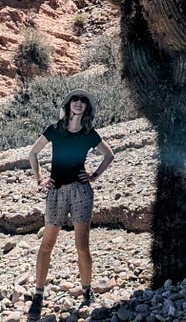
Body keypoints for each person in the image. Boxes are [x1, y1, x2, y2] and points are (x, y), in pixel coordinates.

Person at [26, 89, 115, 321]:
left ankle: (87, 291)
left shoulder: (89, 134)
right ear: (68, 104)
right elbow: (33, 154)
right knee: (47, 243)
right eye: (75, 100)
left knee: (82, 245)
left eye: (83, 101)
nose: (78, 103)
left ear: (86, 108)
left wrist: (94, 176)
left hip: (80, 191)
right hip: (55, 191)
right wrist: (39, 179)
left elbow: (109, 155)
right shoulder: (54, 129)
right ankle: (38, 295)